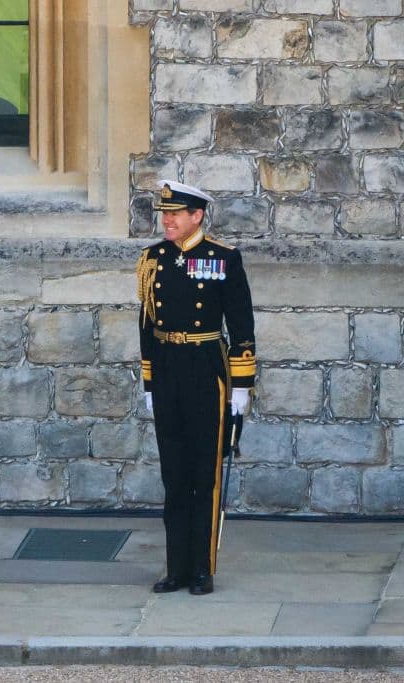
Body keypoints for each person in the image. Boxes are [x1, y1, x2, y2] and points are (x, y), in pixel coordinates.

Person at [137, 180, 256, 596]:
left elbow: (242, 324)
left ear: (197, 216)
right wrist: (149, 380)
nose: (167, 220)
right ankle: (176, 567)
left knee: (204, 473)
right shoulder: (153, 259)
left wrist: (241, 386)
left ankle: (202, 568)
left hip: (207, 368)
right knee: (174, 474)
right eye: (164, 214)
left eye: (175, 214)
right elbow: (148, 325)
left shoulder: (223, 258)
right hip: (168, 368)